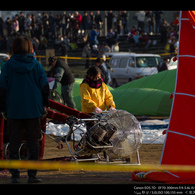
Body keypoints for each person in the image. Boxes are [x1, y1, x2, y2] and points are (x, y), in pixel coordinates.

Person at [0, 36, 50, 183]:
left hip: (14, 110)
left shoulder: (8, 66)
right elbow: (45, 87)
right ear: (29, 47)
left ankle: (15, 176)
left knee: (14, 144)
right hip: (33, 109)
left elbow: (2, 88)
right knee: (33, 143)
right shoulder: (36, 65)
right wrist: (44, 105)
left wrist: (3, 107)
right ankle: (32, 176)